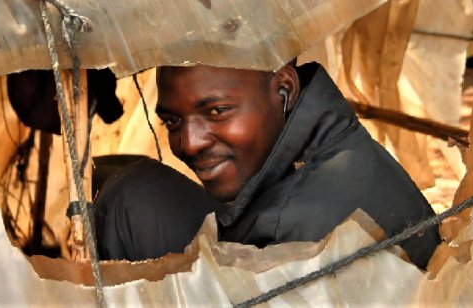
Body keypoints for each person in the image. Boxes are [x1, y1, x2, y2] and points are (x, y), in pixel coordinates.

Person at [94, 61, 440, 268]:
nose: (189, 143)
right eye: (172, 122)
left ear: (284, 90)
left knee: (132, 198)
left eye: (217, 111)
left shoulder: (294, 231)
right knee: (140, 190)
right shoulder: (341, 144)